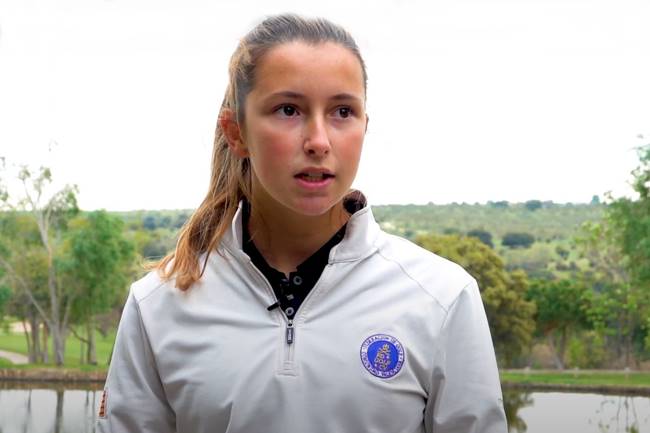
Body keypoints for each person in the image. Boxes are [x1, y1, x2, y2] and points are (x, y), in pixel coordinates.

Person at [97, 13, 508, 433]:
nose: (318, 141)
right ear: (236, 132)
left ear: (365, 125)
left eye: (342, 111)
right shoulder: (159, 305)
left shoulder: (442, 298)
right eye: (289, 109)